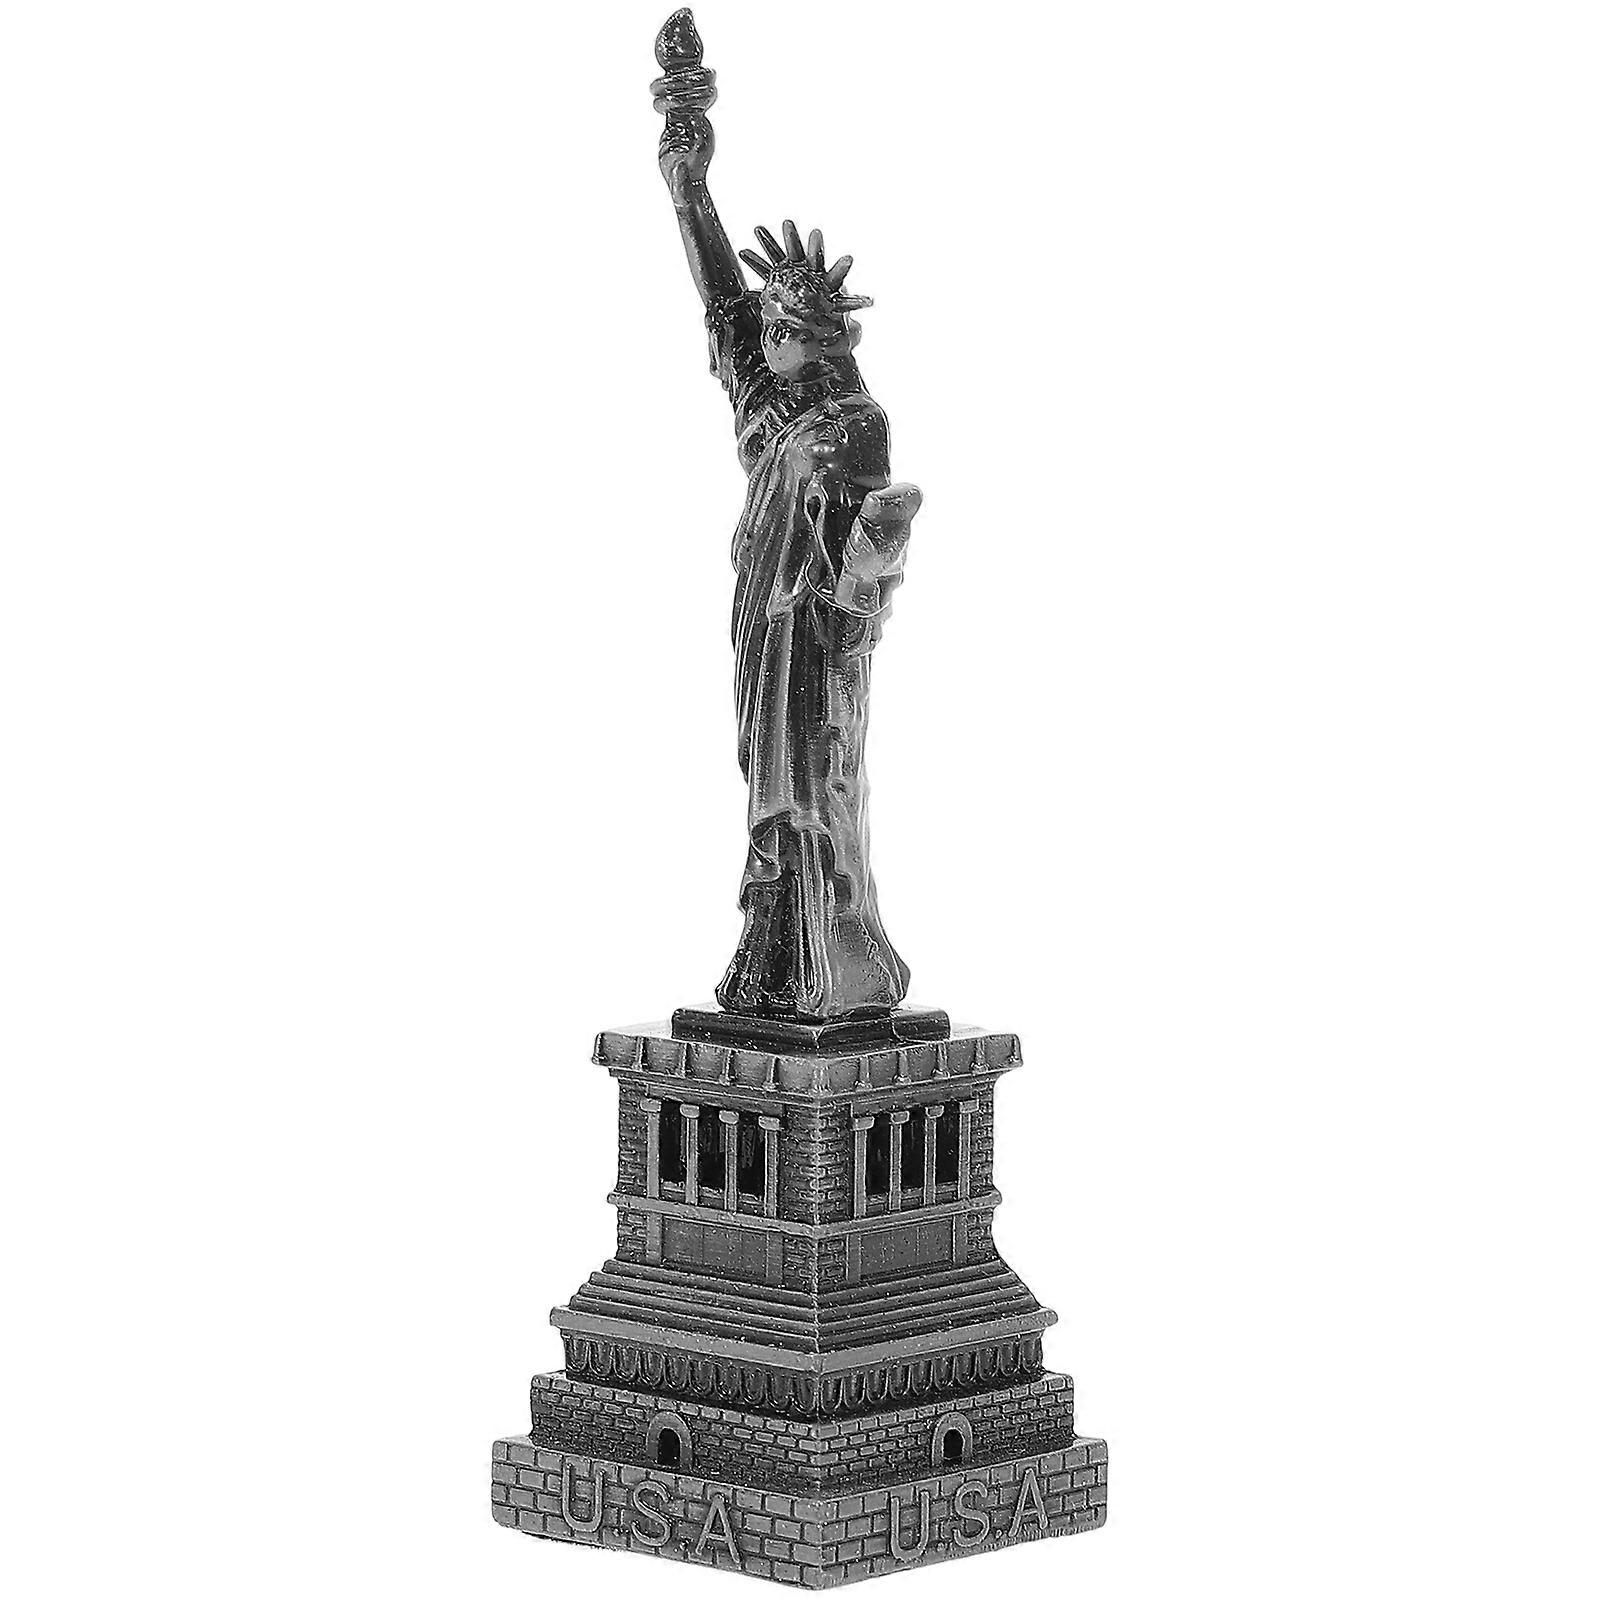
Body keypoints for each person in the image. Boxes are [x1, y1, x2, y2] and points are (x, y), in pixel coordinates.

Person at [657, 82, 923, 1021]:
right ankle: (774, 952)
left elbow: (864, 555)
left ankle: (837, 957)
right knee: (768, 781)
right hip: (762, 625)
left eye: (786, 330)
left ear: (825, 339)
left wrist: (869, 571)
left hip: (816, 635)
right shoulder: (768, 407)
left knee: (818, 777)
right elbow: (721, 300)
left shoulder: (855, 423)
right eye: (767, 326)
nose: (765, 339)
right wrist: (690, 186)